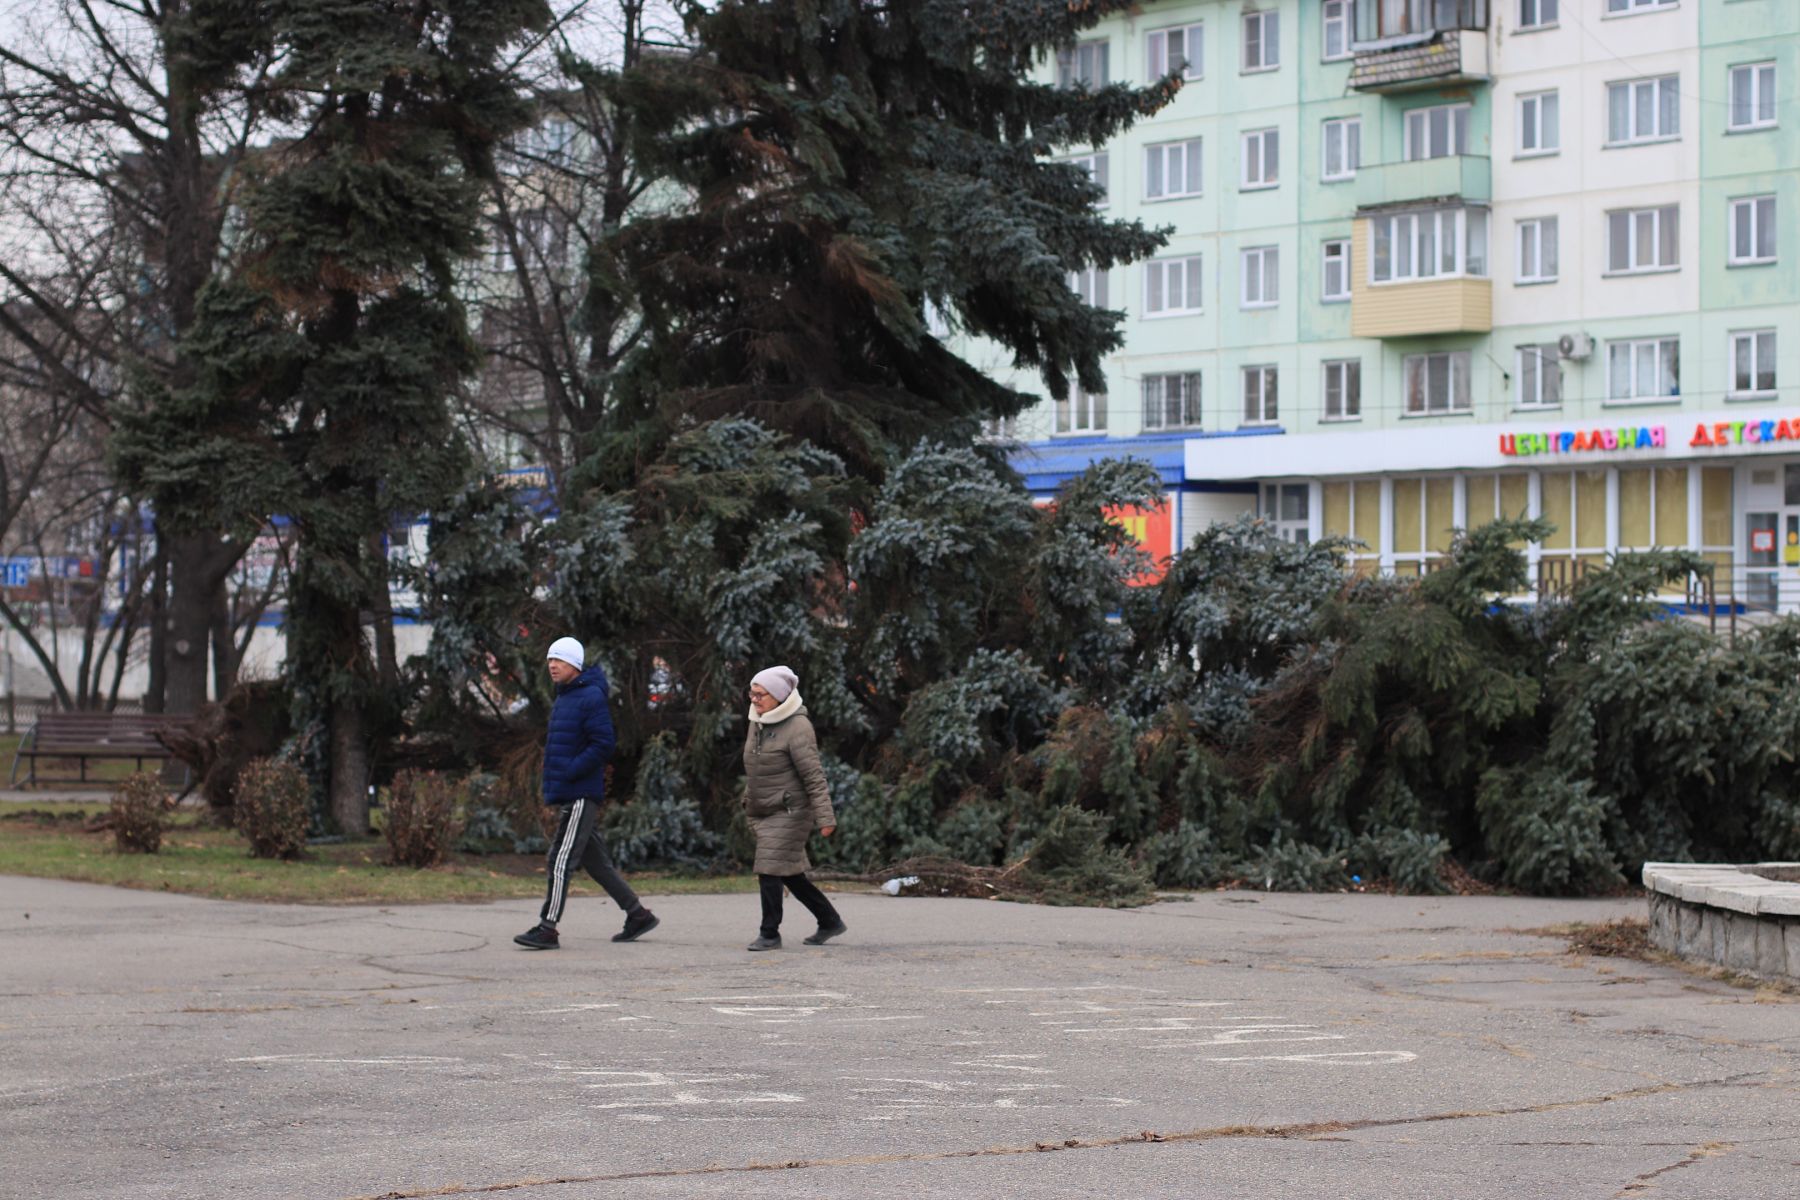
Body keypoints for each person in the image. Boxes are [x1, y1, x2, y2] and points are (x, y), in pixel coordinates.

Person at [514, 638, 659, 950]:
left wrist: (571, 770)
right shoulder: (566, 696)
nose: (552, 665)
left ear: (575, 666)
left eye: (560, 661)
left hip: (581, 791)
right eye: (551, 659)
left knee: (560, 858)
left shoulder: (589, 696)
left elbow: (603, 743)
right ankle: (638, 915)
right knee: (596, 863)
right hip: (571, 789)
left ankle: (547, 928)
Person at [742, 665, 846, 951]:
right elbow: (757, 766)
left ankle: (769, 933)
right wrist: (748, 796)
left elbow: (813, 775)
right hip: (764, 807)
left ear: (778, 695)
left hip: (791, 811)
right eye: (752, 693)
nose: (754, 699)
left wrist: (825, 817)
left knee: (769, 867)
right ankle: (829, 920)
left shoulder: (798, 727)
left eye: (760, 694)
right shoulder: (758, 721)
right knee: (789, 872)